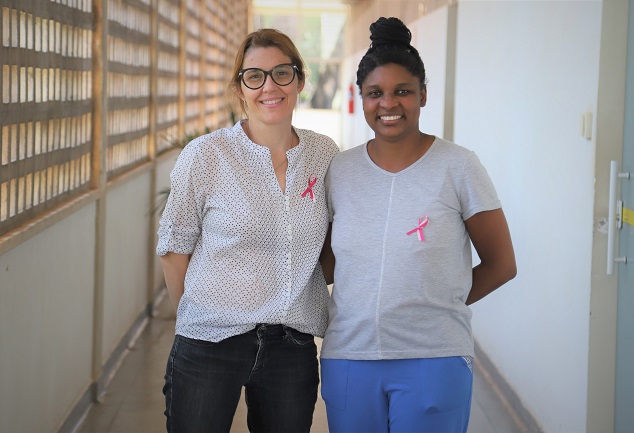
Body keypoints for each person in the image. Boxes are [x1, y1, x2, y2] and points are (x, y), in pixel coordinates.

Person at [319, 17, 517, 433]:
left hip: (434, 359)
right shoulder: (340, 170)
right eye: (375, 93)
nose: (388, 104)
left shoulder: (458, 166)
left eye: (403, 91)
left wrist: (437, 303)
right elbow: (329, 264)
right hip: (349, 357)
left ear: (423, 94)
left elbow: (501, 264)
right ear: (361, 97)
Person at [156, 28, 339, 433]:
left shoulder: (324, 154)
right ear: (240, 89)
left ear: (299, 80)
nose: (269, 87)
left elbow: (331, 243)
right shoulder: (206, 155)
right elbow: (174, 249)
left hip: (291, 345)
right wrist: (199, 321)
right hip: (209, 343)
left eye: (281, 73)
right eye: (254, 76)